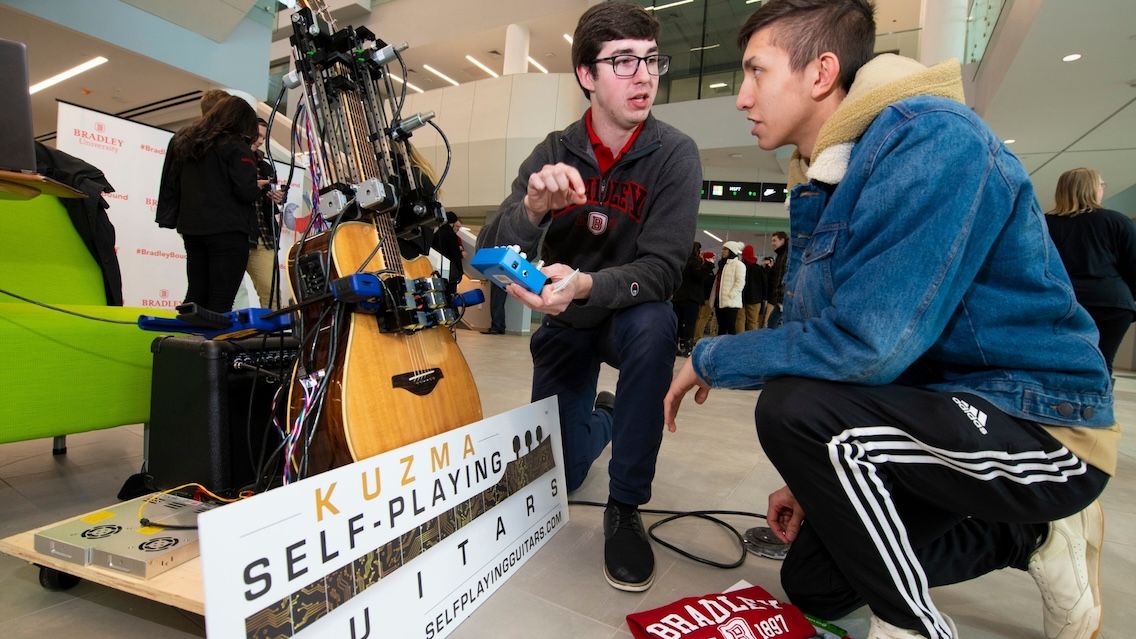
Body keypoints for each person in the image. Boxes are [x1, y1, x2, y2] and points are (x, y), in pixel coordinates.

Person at [663, 2, 1116, 638]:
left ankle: (914, 625)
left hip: (1037, 424)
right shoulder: (827, 173)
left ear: (821, 72)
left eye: (755, 72)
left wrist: (709, 358)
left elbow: (867, 347)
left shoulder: (933, 139)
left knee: (789, 407)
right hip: (934, 417)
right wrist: (818, 476)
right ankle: (1029, 539)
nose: (741, 97)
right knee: (814, 582)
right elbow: (838, 357)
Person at [476, 0, 701, 592]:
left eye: (651, 60)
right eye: (623, 61)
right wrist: (531, 210)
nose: (644, 76)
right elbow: (491, 250)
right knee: (564, 474)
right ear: (586, 76)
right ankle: (601, 417)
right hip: (568, 326)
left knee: (656, 324)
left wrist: (584, 286)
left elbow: (664, 269)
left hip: (625, 317)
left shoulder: (674, 154)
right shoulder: (554, 150)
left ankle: (626, 506)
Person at [157, 95, 262, 312]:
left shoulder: (186, 143)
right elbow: (246, 191)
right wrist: (259, 186)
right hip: (228, 230)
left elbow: (173, 184)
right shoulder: (236, 147)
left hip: (192, 229)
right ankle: (211, 344)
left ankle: (187, 340)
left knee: (196, 291)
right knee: (220, 300)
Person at [1045, 167, 1136, 374]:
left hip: (1064, 303)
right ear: (1094, 189)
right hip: (1111, 304)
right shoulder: (1118, 221)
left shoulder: (1045, 224)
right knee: (1102, 363)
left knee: (1061, 363)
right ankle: (1098, 406)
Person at [247, 117, 286, 308]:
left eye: (264, 137)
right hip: (234, 235)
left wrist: (276, 197)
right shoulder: (228, 159)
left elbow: (271, 204)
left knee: (272, 296)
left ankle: (270, 338)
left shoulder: (266, 166)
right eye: (258, 135)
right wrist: (250, 186)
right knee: (223, 295)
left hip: (264, 238)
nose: (261, 140)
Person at [673, 242, 710, 356]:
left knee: (677, 324)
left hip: (677, 297)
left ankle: (675, 346)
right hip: (691, 298)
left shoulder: (679, 260)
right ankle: (687, 347)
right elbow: (700, 277)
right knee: (689, 323)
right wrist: (708, 266)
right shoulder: (694, 263)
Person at [715, 241, 745, 336]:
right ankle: (719, 348)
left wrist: (731, 295)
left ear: (731, 250)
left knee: (730, 327)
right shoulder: (722, 264)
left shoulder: (738, 265)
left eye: (725, 249)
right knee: (721, 327)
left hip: (731, 302)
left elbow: (740, 282)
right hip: (719, 301)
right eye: (723, 249)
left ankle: (731, 348)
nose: (722, 251)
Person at [766, 231, 788, 328]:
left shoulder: (786, 254)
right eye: (771, 241)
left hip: (785, 300)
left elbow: (787, 276)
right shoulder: (780, 255)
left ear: (782, 240)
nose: (772, 243)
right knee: (772, 324)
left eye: (774, 240)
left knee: (772, 325)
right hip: (780, 300)